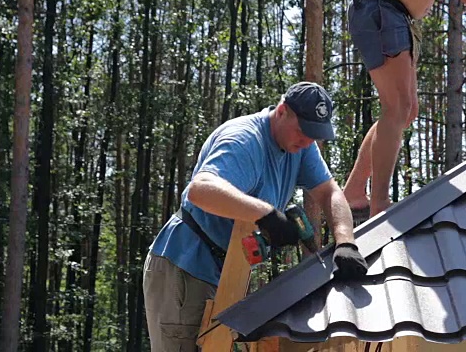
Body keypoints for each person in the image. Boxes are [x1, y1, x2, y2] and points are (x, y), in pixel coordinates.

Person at [143, 81, 369, 351]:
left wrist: (345, 243)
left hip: (227, 271)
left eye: (314, 134)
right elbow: (200, 190)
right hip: (185, 267)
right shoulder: (244, 140)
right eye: (302, 131)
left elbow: (330, 191)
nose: (307, 140)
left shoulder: (302, 146)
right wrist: (266, 214)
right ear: (283, 111)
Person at [344, 0, 466, 219]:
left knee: (405, 111)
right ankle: (379, 205)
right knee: (397, 107)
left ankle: (355, 191)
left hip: (389, 12)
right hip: (382, 9)